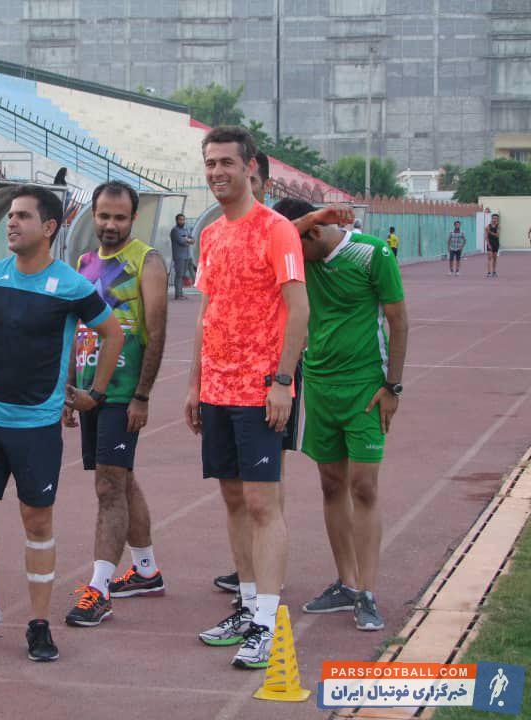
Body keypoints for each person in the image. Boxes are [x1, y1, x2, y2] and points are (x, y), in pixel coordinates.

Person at [0, 185, 124, 662]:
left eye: (22, 216)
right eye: (9, 215)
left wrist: (95, 393)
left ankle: (39, 623)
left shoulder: (71, 286)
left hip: (37, 424)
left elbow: (112, 333)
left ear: (48, 227)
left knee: (36, 520)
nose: (11, 223)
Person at [185, 126, 309, 670]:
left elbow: (299, 310)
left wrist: (282, 382)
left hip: (261, 389)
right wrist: (194, 383)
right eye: (210, 163)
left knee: (263, 503)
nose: (217, 172)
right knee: (233, 499)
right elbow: (206, 313)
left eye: (226, 163)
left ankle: (267, 622)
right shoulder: (211, 235)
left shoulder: (277, 230)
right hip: (217, 389)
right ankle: (247, 604)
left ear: (250, 167)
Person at [213, 153, 354, 604]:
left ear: (258, 178)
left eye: (253, 181)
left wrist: (282, 379)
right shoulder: (237, 229)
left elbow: (279, 234)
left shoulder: (276, 228)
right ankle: (253, 571)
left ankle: (269, 577)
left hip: (278, 372)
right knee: (245, 487)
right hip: (232, 378)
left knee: (267, 483)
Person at [273, 198, 409, 632]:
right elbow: (268, 240)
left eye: (297, 242)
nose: (289, 256)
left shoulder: (373, 253)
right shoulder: (298, 252)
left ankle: (367, 592)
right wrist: (309, 219)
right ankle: (347, 583)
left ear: (313, 234)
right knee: (331, 484)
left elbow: (398, 320)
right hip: (319, 387)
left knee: (363, 487)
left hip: (365, 389)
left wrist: (393, 386)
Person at [64, 181, 169, 627]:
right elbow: (75, 329)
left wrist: (142, 396)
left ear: (133, 219)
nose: (110, 224)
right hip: (89, 390)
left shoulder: (148, 261)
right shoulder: (84, 263)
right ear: (93, 215)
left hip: (123, 393)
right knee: (120, 480)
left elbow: (157, 333)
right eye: (104, 216)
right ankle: (146, 571)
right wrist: (68, 389)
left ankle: (99, 588)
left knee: (108, 486)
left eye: (120, 217)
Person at [170, 213, 194, 300]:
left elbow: (193, 240)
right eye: (180, 220)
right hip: (179, 257)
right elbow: (181, 242)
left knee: (183, 275)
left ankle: (181, 293)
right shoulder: (175, 231)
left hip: (187, 256)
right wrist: (187, 240)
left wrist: (187, 240)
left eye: (183, 220)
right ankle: (178, 295)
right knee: (179, 275)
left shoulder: (186, 230)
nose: (182, 221)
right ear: (177, 220)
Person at [485, 214, 500, 278]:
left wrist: (490, 232)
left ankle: (494, 272)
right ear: (491, 219)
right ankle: (489, 272)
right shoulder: (488, 226)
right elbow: (486, 237)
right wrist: (488, 244)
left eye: (496, 218)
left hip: (496, 244)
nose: (494, 219)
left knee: (495, 259)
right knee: (489, 258)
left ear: (497, 219)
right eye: (493, 218)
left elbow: (497, 235)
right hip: (490, 243)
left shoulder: (498, 226)